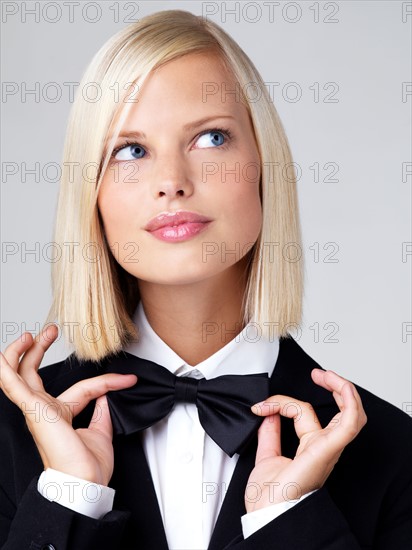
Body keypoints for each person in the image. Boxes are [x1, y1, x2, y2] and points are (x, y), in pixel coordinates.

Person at [0, 9, 411, 550]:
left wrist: (286, 524)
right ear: (91, 196)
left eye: (212, 138)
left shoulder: (389, 449)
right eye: (130, 150)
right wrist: (68, 501)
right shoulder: (9, 438)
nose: (171, 182)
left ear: (266, 165)